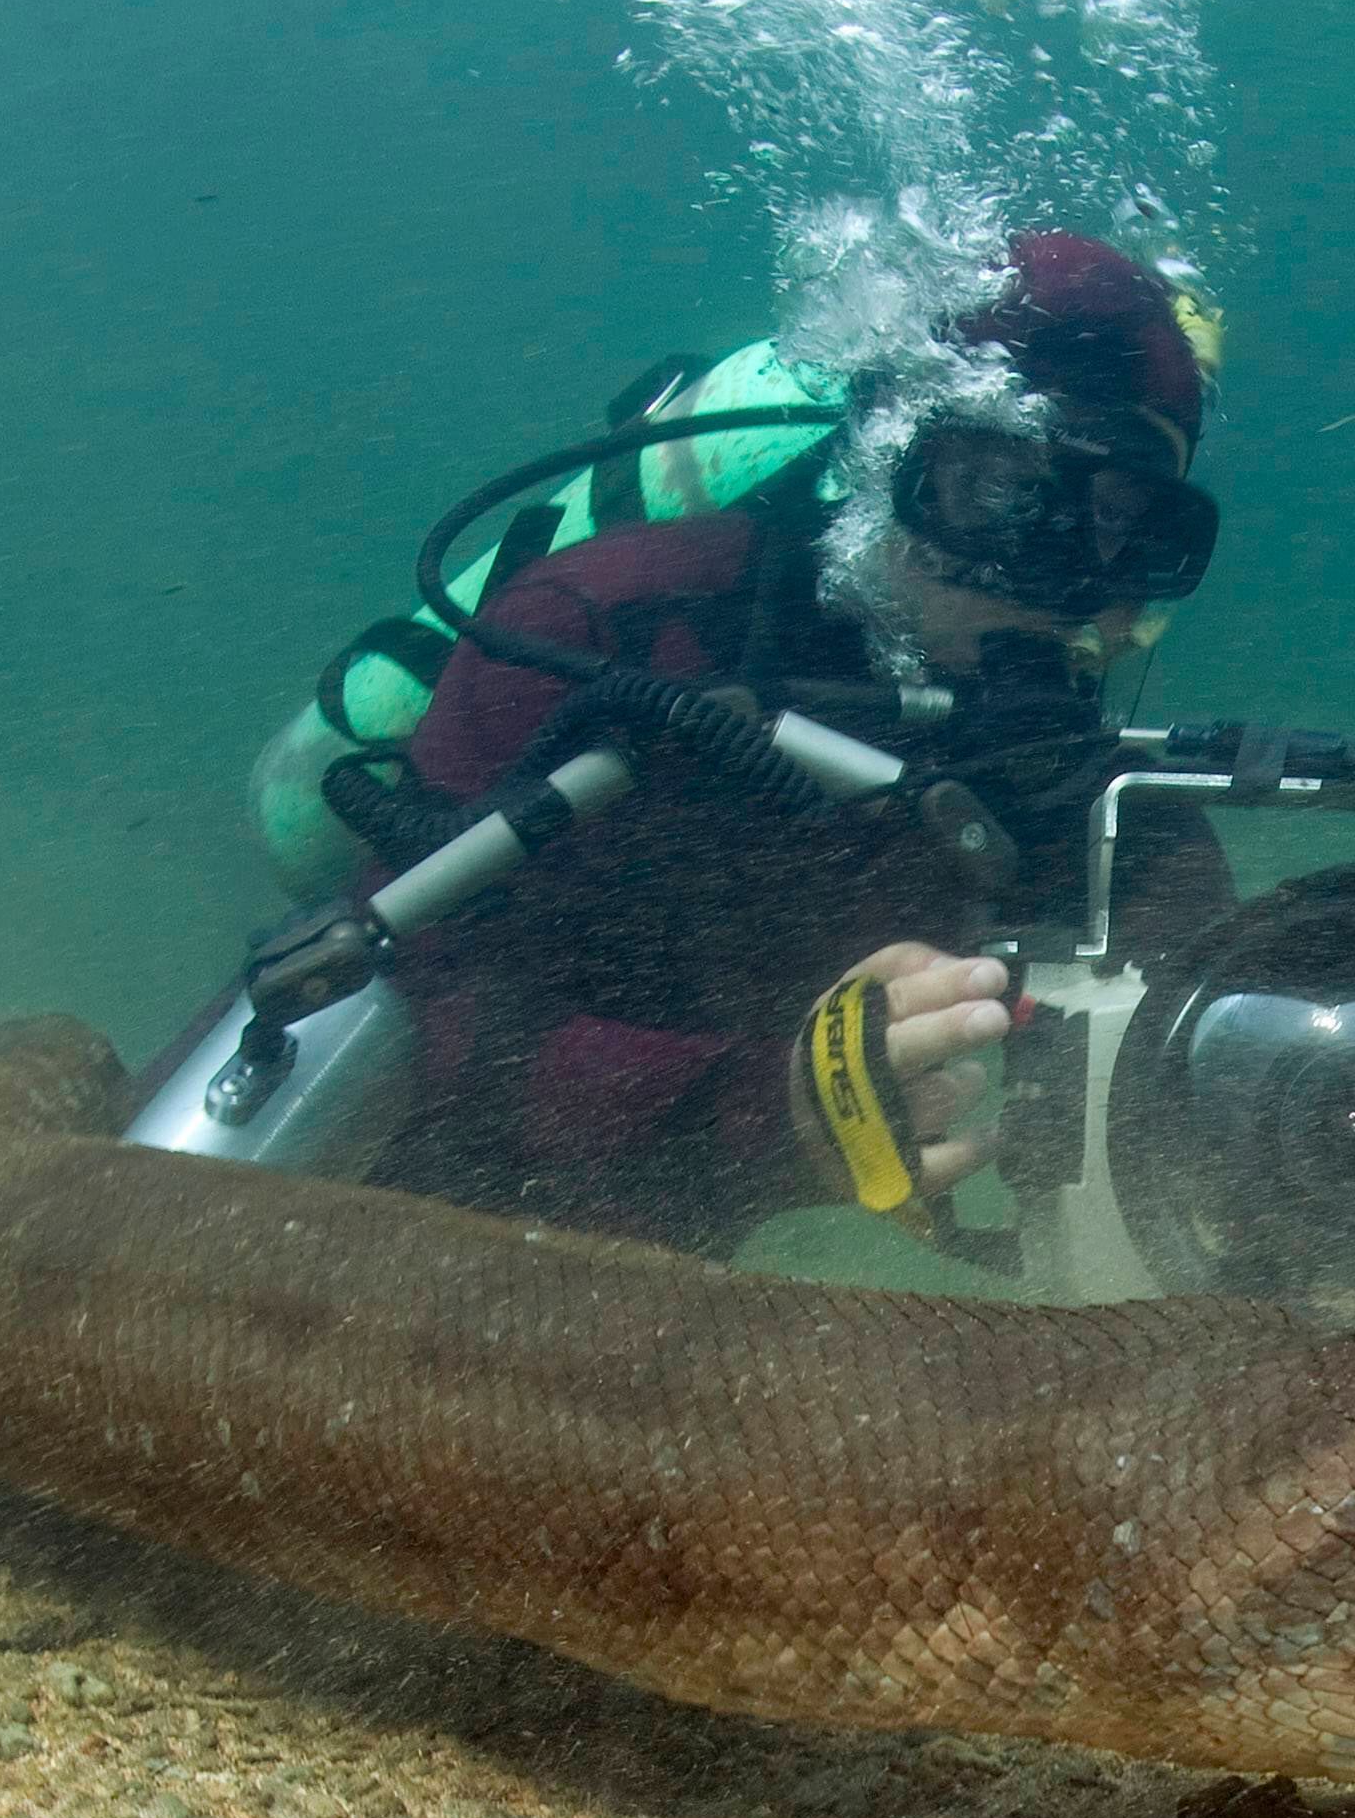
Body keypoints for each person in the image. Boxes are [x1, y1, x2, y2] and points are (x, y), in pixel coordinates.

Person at [360, 232, 1234, 1256]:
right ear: (886, 463)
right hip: (391, 1244)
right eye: (995, 494)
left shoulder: (1092, 791)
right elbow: (402, 1018)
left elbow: (1215, 1006)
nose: (1053, 574)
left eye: (1122, 524)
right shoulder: (608, 630)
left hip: (671, 1308)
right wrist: (770, 1112)